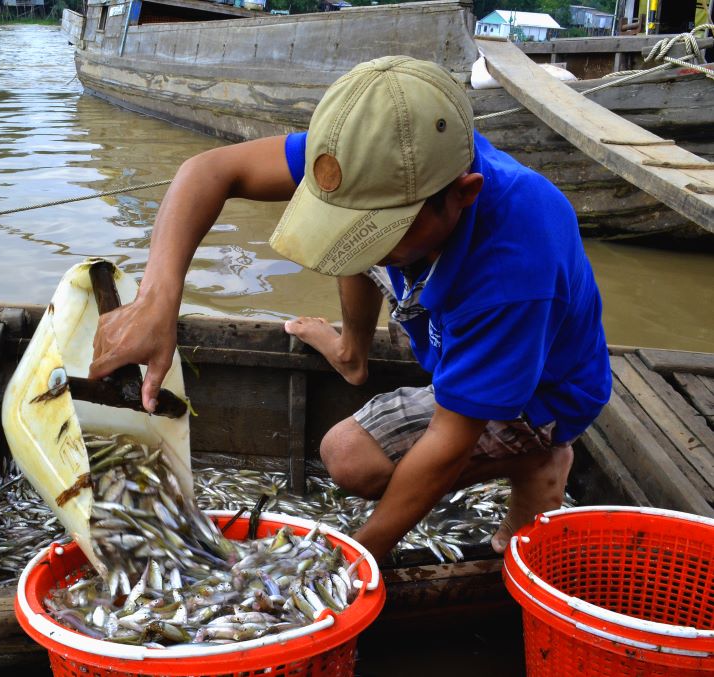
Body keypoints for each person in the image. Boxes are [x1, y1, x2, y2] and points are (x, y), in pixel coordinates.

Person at [89, 56, 611, 560]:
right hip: (454, 326)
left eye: (383, 232)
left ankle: (540, 455)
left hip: (542, 388)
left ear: (462, 194)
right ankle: (352, 353)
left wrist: (361, 553)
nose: (365, 250)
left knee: (348, 457)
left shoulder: (514, 268)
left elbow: (450, 441)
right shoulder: (386, 154)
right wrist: (156, 300)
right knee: (353, 239)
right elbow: (209, 171)